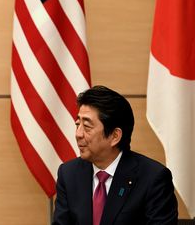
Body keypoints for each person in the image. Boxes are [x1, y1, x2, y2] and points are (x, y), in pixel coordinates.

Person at [52, 85, 178, 225]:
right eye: (77, 124)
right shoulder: (68, 174)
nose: (78, 134)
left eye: (87, 127)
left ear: (115, 136)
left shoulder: (153, 179)